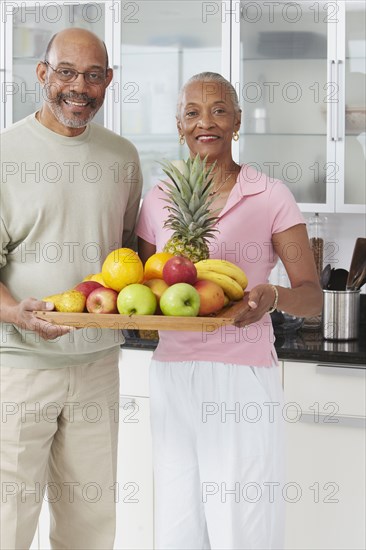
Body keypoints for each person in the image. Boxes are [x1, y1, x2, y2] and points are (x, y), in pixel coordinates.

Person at [136, 72, 322, 550]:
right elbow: (139, 284)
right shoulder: (159, 200)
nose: (207, 122)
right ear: (179, 125)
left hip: (240, 377)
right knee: (177, 527)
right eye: (193, 112)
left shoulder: (270, 194)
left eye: (219, 110)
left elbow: (311, 293)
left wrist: (272, 296)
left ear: (237, 122)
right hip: (172, 376)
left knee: (243, 526)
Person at [0, 28, 142, 549]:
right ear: (42, 74)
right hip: (18, 366)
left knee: (90, 524)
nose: (78, 87)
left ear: (109, 81)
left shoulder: (123, 158)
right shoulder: (5, 153)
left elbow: (127, 254)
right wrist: (15, 313)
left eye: (93, 75)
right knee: (8, 521)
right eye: (66, 72)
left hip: (97, 365)